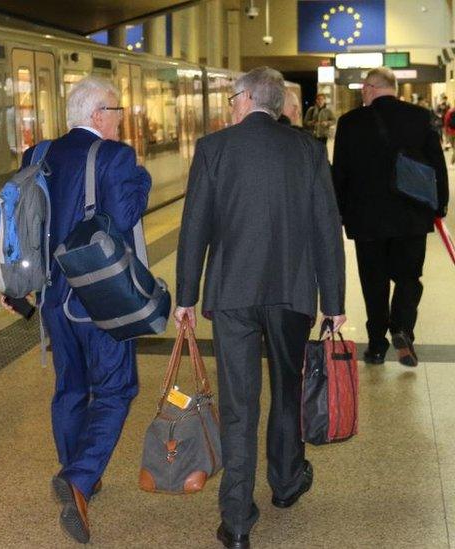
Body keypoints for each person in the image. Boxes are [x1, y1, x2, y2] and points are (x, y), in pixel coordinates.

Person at [175, 67, 346, 549]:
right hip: (293, 295)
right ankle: (287, 483)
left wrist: (186, 296)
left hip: (231, 296)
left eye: (232, 97)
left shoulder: (214, 149)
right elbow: (325, 231)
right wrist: (333, 303)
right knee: (287, 390)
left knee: (239, 405)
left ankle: (236, 521)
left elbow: (195, 230)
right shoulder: (308, 151)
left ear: (249, 98)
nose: (229, 104)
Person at [4, 76, 151, 544]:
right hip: (100, 299)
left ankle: (76, 469)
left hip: (50, 298)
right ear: (97, 116)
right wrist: (142, 177)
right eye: (116, 111)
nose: (119, 119)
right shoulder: (116, 156)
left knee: (70, 387)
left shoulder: (38, 154)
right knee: (116, 388)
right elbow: (127, 215)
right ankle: (80, 478)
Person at [332, 67, 448, 367]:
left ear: (371, 88)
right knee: (409, 277)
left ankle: (376, 345)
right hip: (411, 215)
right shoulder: (420, 117)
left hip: (367, 218)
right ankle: (402, 327)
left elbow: (340, 173)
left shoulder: (350, 122)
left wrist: (340, 212)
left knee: (374, 282)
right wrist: (440, 205)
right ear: (393, 88)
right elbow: (437, 165)